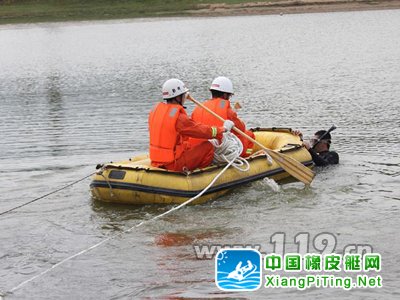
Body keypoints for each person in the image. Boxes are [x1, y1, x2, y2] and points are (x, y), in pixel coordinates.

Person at [148, 78, 234, 172]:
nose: (185, 97)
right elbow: (200, 130)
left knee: (189, 144)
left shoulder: (156, 111)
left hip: (156, 160)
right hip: (173, 164)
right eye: (183, 95)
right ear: (178, 97)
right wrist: (222, 129)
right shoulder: (178, 117)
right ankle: (201, 173)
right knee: (208, 146)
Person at [190, 76, 255, 157]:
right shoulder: (225, 108)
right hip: (220, 150)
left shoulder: (198, 107)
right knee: (249, 135)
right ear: (225, 95)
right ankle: (247, 157)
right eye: (229, 96)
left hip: (199, 150)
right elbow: (240, 129)